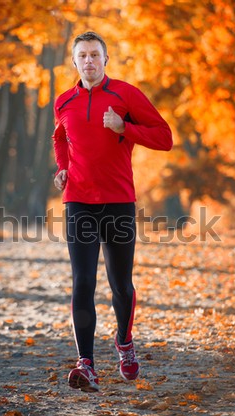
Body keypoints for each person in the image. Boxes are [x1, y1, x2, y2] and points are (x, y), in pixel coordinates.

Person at [53, 31, 172, 392]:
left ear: (106, 60)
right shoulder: (63, 101)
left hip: (119, 203)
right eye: (82, 56)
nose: (89, 61)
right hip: (78, 203)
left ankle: (124, 342)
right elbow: (61, 138)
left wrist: (126, 128)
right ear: (74, 62)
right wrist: (62, 167)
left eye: (95, 55)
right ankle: (86, 363)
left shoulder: (126, 95)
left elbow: (164, 137)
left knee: (120, 285)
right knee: (83, 282)